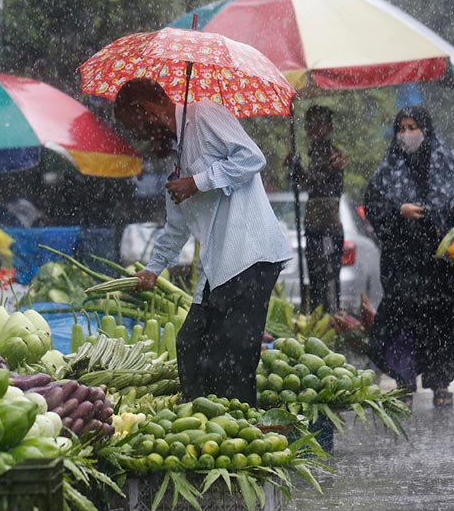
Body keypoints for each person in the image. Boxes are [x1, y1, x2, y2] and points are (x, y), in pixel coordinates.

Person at [113, 78, 292, 406]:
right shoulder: (175, 160)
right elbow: (176, 227)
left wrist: (198, 182)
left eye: (135, 126)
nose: (137, 138)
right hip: (219, 264)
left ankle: (240, 433)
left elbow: (252, 158)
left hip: (249, 254)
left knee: (234, 357)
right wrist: (152, 270)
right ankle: (206, 420)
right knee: (191, 344)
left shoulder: (205, 114)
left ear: (148, 110)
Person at [363, 106, 454, 409]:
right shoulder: (388, 170)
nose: (408, 134)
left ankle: (440, 381)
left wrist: (441, 220)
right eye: (402, 128)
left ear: (426, 129)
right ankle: (404, 381)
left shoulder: (450, 165)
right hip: (403, 261)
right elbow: (374, 206)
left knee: (444, 319)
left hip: (441, 263)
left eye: (414, 127)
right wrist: (401, 212)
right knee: (402, 320)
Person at [292, 105, 347, 313]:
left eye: (316, 123)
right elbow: (310, 184)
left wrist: (304, 170)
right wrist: (296, 168)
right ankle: (319, 316)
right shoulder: (314, 153)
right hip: (315, 226)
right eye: (309, 123)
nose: (311, 128)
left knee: (328, 278)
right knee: (316, 277)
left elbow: (319, 185)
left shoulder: (332, 155)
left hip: (328, 228)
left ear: (328, 126)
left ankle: (331, 318)